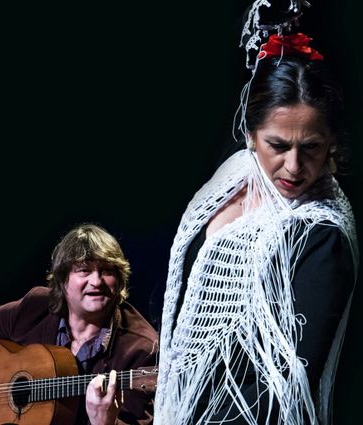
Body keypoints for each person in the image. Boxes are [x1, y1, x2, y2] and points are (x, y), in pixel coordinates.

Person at [153, 2, 359, 424]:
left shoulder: (322, 234)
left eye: (312, 148)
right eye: (278, 146)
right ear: (250, 135)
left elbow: (287, 382)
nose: (294, 167)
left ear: (331, 143)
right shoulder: (230, 179)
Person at [0, 223, 158, 425]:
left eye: (107, 271)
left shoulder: (141, 349)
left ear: (119, 280)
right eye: (84, 270)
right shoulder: (34, 308)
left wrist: (105, 423)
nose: (96, 281)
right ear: (62, 280)